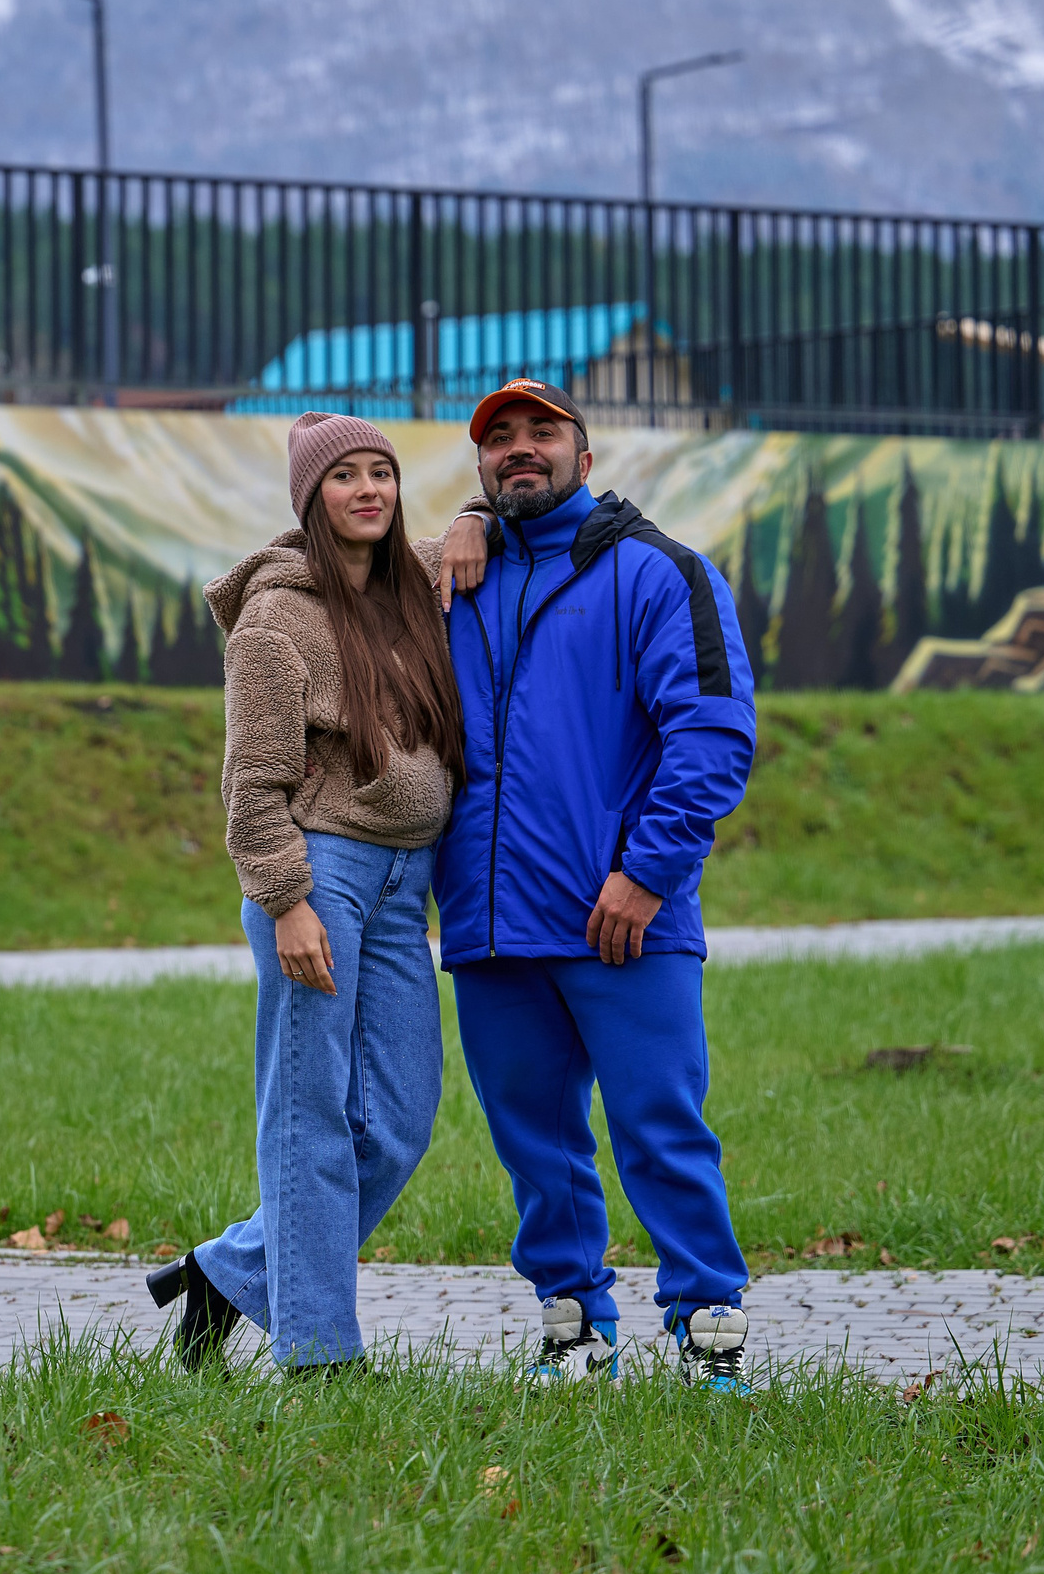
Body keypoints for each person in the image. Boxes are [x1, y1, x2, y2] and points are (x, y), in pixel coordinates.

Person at [435, 379, 759, 1393]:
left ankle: (709, 1332)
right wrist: (462, 525)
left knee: (660, 1126)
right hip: (491, 924)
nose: (519, 450)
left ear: (587, 454)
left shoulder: (662, 572)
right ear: (481, 467)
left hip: (623, 918)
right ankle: (573, 1329)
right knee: (535, 1142)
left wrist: (645, 874)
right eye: (499, 440)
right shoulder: (450, 579)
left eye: (543, 432)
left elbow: (712, 736)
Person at [146, 412, 480, 1374]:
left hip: (402, 885)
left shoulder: (411, 591)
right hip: (320, 875)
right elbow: (251, 785)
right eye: (345, 478)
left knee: (403, 1119)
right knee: (309, 1116)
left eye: (382, 472)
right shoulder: (276, 620)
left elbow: (487, 523)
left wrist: (471, 514)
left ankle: (228, 1273)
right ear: (309, 497)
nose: (368, 490)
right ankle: (318, 1354)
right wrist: (286, 898)